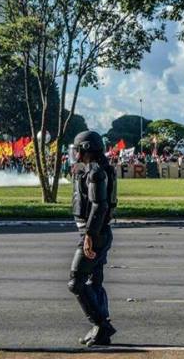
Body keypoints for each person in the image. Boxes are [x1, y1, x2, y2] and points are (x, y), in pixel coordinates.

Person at [67, 131, 118, 347]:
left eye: (78, 148)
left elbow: (100, 205)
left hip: (94, 234)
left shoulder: (96, 172)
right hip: (99, 233)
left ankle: (100, 325)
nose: (75, 152)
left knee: (76, 282)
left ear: (86, 148)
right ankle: (101, 330)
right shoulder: (97, 170)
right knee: (93, 282)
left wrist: (89, 235)